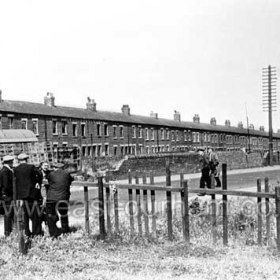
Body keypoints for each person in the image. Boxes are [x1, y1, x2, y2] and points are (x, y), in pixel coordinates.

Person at [14, 153, 43, 237]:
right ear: (26, 159)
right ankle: (36, 233)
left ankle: (26, 232)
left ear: (19, 160)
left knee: (24, 215)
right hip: (32, 194)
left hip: (21, 196)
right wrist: (38, 183)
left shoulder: (16, 169)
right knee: (35, 215)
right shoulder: (31, 167)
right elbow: (40, 174)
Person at [46, 162, 74, 237]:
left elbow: (49, 181)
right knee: (64, 214)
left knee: (50, 215)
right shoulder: (67, 174)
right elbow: (70, 180)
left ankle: (53, 233)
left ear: (55, 167)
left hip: (51, 198)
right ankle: (65, 231)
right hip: (63, 197)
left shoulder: (51, 174)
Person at [0, 155, 15, 236]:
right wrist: (13, 192)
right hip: (8, 196)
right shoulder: (6, 171)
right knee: (8, 214)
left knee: (9, 214)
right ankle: (8, 232)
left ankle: (9, 232)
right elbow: (6, 185)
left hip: (6, 196)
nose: (13, 163)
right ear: (9, 162)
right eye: (12, 161)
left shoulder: (4, 170)